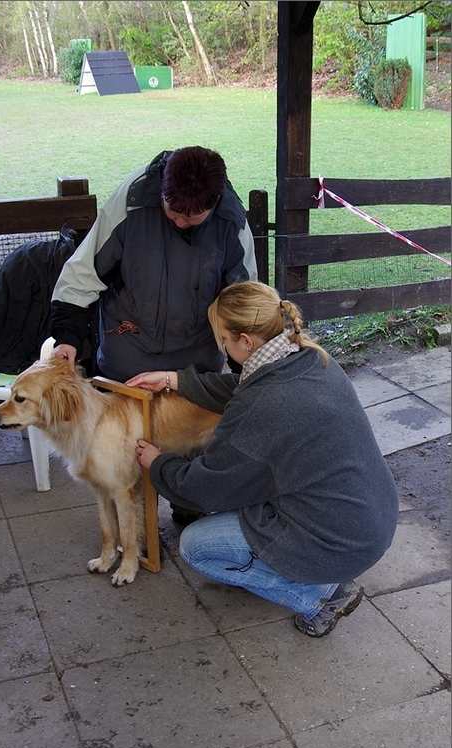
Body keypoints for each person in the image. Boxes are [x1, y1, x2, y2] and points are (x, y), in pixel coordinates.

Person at [127, 281, 399, 638]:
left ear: (246, 341)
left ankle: (320, 597)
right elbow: (244, 388)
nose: (222, 346)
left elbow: (205, 490)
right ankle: (307, 569)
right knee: (243, 495)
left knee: (196, 547)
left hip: (338, 542)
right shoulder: (308, 357)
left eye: (224, 339)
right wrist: (174, 380)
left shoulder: (263, 407)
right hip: (372, 515)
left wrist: (158, 462)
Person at [50, 146, 257, 381]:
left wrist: (244, 369)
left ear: (215, 202)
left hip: (196, 373)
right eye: (173, 212)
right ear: (162, 191)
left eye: (191, 217)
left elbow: (244, 303)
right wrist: (68, 337)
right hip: (127, 366)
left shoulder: (231, 220)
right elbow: (84, 273)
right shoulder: (133, 198)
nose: (180, 223)